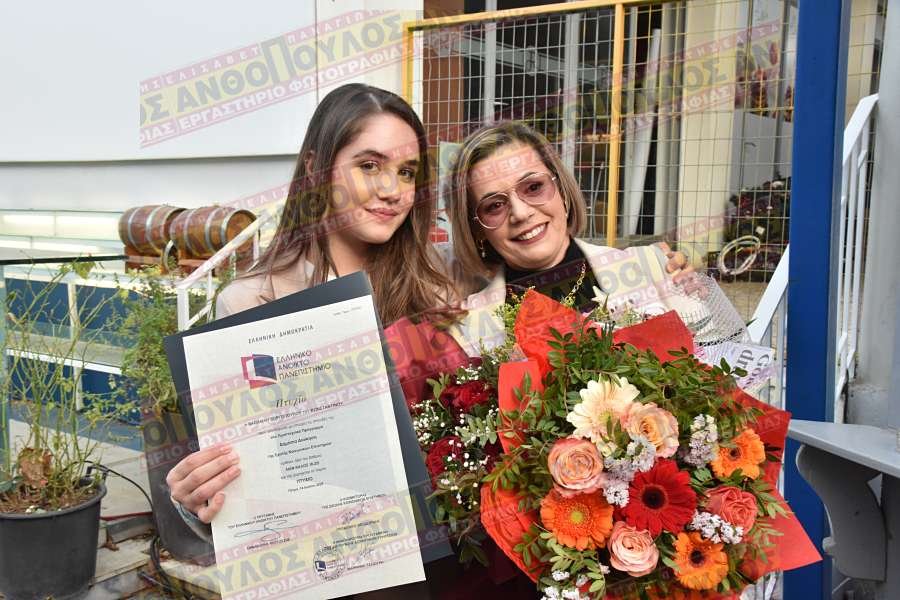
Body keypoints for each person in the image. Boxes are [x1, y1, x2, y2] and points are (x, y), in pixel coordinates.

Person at [166, 83, 457, 529]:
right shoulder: (248, 303)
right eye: (369, 165)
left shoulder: (437, 290)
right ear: (315, 168)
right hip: (317, 551)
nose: (393, 190)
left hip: (440, 549)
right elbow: (242, 483)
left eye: (406, 172)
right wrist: (199, 498)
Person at [443, 121, 694, 356]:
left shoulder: (654, 267)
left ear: (562, 190)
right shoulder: (467, 331)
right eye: (495, 205)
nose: (520, 213)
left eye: (533, 187)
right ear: (478, 230)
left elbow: (711, 363)